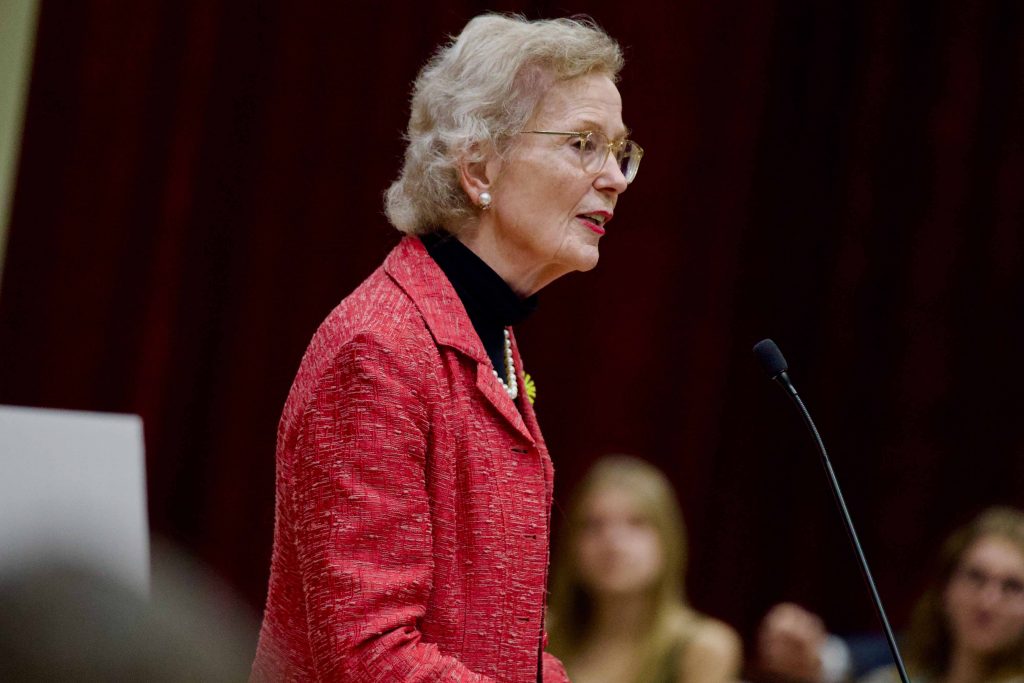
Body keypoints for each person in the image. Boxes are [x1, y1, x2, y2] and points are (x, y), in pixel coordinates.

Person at [251, 13, 643, 682]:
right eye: (583, 143)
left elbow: (500, 632)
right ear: (478, 164)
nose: (614, 176)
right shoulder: (380, 349)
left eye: (620, 150)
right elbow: (368, 654)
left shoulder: (490, 333)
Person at [756, 507, 1024, 683]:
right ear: (946, 588)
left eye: (1012, 587)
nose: (987, 601)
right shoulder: (890, 675)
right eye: (975, 577)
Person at [546, 455, 742, 683]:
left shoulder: (702, 647)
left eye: (636, 523)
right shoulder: (545, 636)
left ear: (668, 540)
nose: (613, 541)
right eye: (593, 525)